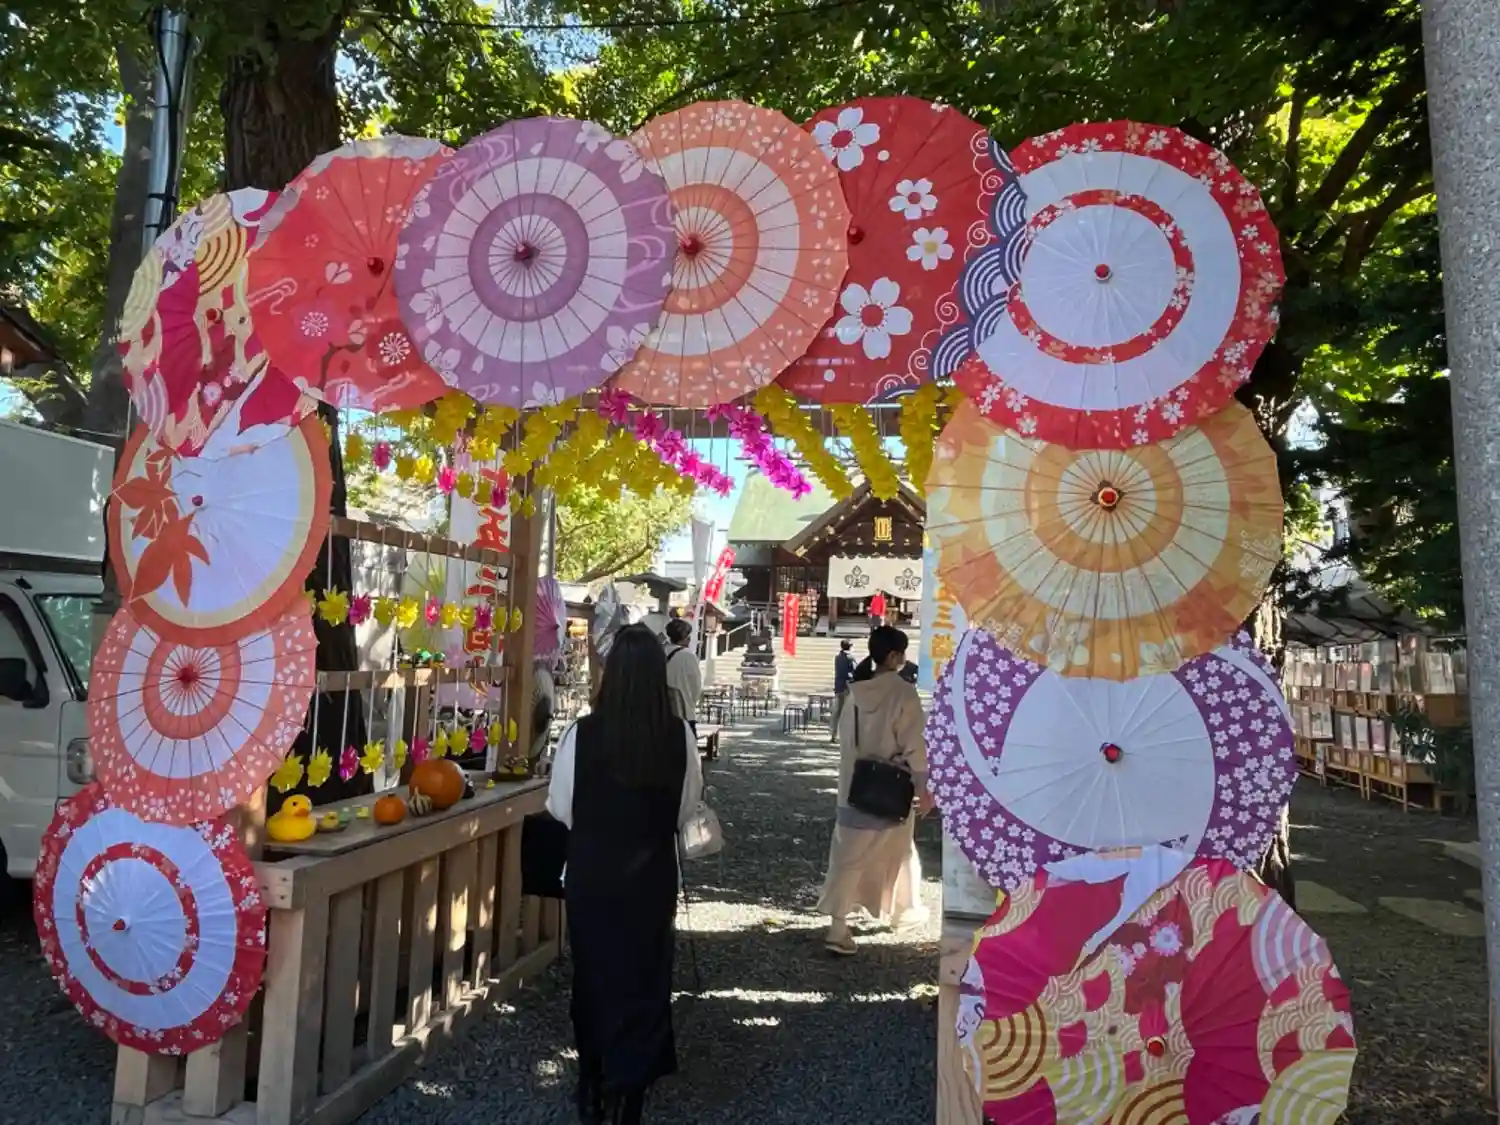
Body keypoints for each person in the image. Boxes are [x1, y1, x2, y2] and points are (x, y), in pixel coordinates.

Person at [547, 624, 705, 1124]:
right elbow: (686, 809)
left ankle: (592, 1078)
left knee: (593, 973)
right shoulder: (679, 736)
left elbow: (561, 807)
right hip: (651, 876)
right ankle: (631, 1086)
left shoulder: (581, 735)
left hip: (593, 874)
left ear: (610, 675)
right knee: (646, 974)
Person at [818, 625, 931, 956]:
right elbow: (915, 745)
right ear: (894, 656)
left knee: (849, 857)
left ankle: (840, 924)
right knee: (901, 849)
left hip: (855, 786)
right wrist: (924, 785)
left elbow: (844, 739)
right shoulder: (903, 693)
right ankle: (904, 911)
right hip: (891, 787)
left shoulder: (856, 691)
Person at [662, 617, 702, 731]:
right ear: (685, 637)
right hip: (684, 712)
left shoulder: (660, 652)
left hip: (662, 713)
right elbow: (696, 687)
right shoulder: (689, 656)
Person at [830, 639, 855, 743]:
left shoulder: (838, 657)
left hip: (838, 686)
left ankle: (834, 734)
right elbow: (854, 671)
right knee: (848, 712)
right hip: (847, 686)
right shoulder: (850, 658)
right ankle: (845, 735)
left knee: (838, 711)